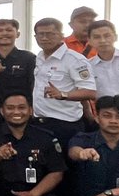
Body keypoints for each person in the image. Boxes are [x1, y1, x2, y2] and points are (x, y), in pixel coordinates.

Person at [31, 17, 96, 150]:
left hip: (65, 125)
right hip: (39, 124)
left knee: (68, 161)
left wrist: (63, 94)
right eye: (40, 34)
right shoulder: (39, 57)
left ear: (62, 35)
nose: (44, 38)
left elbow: (90, 92)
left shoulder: (74, 59)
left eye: (50, 34)